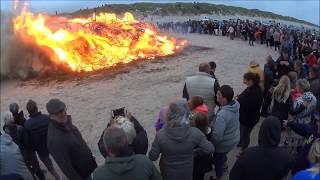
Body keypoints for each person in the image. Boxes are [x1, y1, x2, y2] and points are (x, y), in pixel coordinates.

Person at [148, 99, 214, 180]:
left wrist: (162, 148)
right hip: (186, 171)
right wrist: (195, 152)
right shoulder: (195, 133)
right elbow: (210, 149)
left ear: (169, 115)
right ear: (186, 115)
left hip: (167, 172)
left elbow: (152, 157)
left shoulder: (160, 135)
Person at [46, 98, 97, 180]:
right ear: (51, 116)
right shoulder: (54, 140)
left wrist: (91, 158)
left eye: (63, 110)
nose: (63, 113)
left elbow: (81, 144)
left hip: (89, 167)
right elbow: (66, 167)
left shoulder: (66, 123)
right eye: (58, 113)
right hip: (82, 175)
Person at [93, 127, 161, 180]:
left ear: (107, 149)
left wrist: (108, 126)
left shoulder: (99, 174)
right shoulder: (144, 162)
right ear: (127, 142)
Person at [24, 99, 60, 180]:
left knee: (50, 167)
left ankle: (58, 178)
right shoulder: (46, 117)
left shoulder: (27, 124)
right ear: (36, 108)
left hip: (41, 149)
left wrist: (34, 148)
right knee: (60, 159)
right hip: (52, 144)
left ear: (28, 111)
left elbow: (29, 141)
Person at [211, 85, 240, 180]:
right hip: (234, 138)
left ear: (224, 98)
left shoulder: (222, 115)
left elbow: (217, 137)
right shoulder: (235, 105)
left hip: (224, 144)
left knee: (217, 160)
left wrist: (211, 145)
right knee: (223, 155)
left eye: (218, 94)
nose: (216, 95)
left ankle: (218, 175)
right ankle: (224, 163)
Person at [283, 111, 320, 175]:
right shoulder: (314, 130)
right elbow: (302, 128)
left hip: (308, 173)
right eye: (317, 120)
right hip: (298, 167)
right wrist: (289, 124)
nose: (317, 122)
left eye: (318, 120)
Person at [285, 79, 317, 152]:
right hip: (306, 124)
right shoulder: (314, 98)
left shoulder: (298, 100)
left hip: (296, 125)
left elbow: (293, 113)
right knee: (301, 144)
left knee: (291, 145)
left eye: (297, 85)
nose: (296, 87)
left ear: (300, 87)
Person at [238, 72, 263, 151]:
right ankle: (241, 142)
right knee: (243, 133)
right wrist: (240, 97)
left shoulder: (253, 92)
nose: (243, 82)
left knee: (245, 134)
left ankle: (244, 150)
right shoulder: (254, 88)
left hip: (248, 119)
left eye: (245, 80)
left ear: (250, 81)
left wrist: (238, 100)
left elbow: (245, 105)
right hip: (252, 117)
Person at [190, 113, 214, 180]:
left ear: (196, 124)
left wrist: (196, 151)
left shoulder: (195, 135)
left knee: (195, 175)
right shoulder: (209, 131)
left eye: (193, 120)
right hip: (206, 159)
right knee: (201, 175)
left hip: (197, 161)